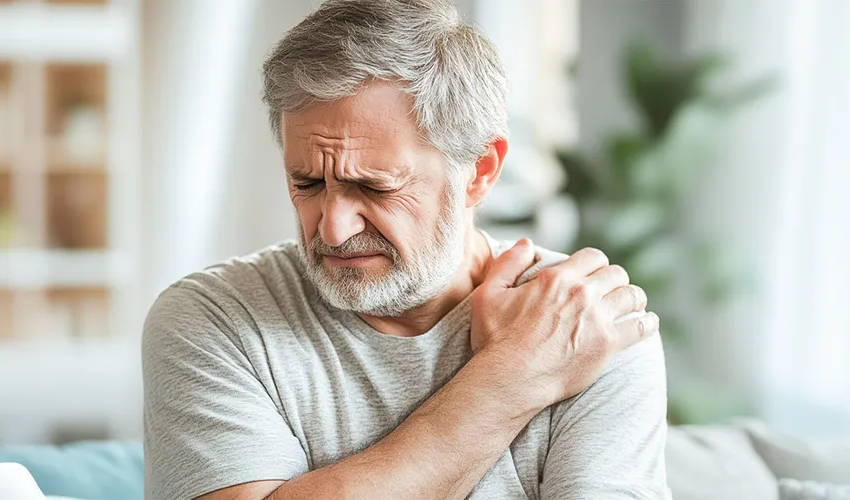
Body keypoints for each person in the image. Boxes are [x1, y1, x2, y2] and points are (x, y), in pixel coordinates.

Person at [142, 0, 669, 498]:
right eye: (306, 183)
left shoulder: (586, 320)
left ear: (481, 170)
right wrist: (511, 376)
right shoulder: (215, 319)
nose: (332, 230)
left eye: (374, 187)